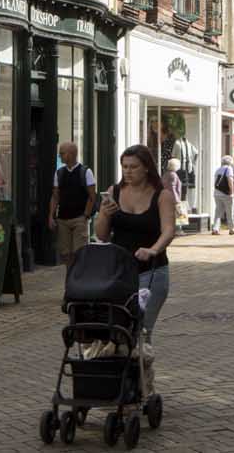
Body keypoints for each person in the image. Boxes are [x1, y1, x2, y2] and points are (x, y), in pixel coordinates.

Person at [95, 144, 179, 357]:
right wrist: (104, 213)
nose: (128, 171)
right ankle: (121, 385)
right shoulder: (114, 191)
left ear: (147, 168)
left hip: (151, 272)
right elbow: (102, 235)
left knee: (140, 333)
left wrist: (153, 250)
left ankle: (143, 384)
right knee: (117, 332)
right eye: (124, 166)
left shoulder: (162, 195)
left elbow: (168, 231)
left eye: (133, 167)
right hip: (119, 273)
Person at [51, 141, 96, 263]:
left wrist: (85, 216)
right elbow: (55, 196)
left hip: (79, 218)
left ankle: (78, 278)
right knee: (65, 254)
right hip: (62, 219)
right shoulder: (59, 173)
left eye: (62, 153)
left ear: (71, 154)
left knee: (79, 253)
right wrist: (51, 216)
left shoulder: (86, 172)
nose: (60, 156)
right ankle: (70, 277)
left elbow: (92, 196)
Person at [211, 154, 234, 236]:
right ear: (230, 162)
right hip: (226, 194)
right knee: (229, 212)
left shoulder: (218, 169)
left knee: (218, 212)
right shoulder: (229, 169)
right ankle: (232, 229)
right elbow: (230, 181)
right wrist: (232, 193)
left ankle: (215, 229)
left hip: (217, 193)